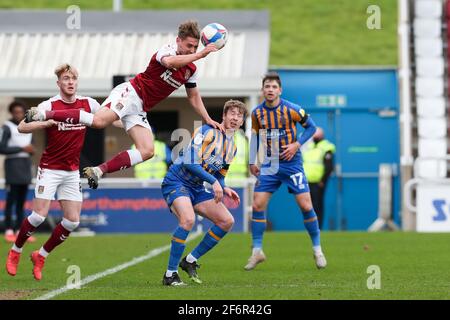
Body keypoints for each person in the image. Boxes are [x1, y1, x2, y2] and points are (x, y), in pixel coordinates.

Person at [25, 20, 223, 190]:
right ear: (178, 40)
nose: (192, 50)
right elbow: (171, 62)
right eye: (189, 46)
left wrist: (207, 119)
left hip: (140, 108)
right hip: (131, 93)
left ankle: (97, 170)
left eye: (195, 47)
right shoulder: (167, 50)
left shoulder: (192, 69)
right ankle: (45, 114)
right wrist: (200, 55)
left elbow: (193, 96)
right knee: (99, 122)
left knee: (147, 150)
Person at [5, 63, 102, 281]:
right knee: (39, 216)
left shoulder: (88, 103)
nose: (70, 82)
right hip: (50, 168)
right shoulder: (49, 104)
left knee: (72, 221)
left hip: (71, 171)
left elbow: (107, 117)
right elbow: (21, 127)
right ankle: (16, 251)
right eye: (66, 79)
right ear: (58, 83)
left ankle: (40, 255)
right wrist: (47, 121)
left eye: (73, 79)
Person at [245, 72, 326, 271]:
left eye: (274, 87)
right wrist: (251, 161)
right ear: (262, 90)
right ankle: (257, 251)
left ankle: (317, 249)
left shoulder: (293, 109)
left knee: (306, 206)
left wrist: (296, 145)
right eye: (267, 86)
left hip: (292, 163)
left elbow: (311, 128)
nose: (270, 90)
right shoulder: (257, 113)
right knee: (257, 204)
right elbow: (255, 136)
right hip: (270, 164)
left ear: (280, 90)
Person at [161, 100, 246, 286]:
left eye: (240, 116)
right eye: (232, 113)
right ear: (223, 116)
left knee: (227, 221)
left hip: (197, 187)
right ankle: (170, 275)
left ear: (242, 121)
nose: (235, 118)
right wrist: (214, 182)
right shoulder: (207, 131)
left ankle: (189, 260)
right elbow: (189, 162)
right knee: (188, 220)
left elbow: (220, 174)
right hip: (176, 181)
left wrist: (224, 187)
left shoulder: (232, 147)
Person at [0, 101, 35, 243]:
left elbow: (29, 148)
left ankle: (20, 230)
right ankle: (9, 230)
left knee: (21, 201)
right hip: (13, 165)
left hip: (25, 165)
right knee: (11, 200)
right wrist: (22, 149)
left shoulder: (29, 126)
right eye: (15, 112)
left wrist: (31, 151)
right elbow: (2, 148)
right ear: (11, 112)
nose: (18, 114)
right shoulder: (7, 127)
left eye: (20, 112)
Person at [303, 127, 335, 229]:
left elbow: (329, 167)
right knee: (307, 206)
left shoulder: (326, 146)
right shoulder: (308, 146)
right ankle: (310, 227)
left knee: (317, 205)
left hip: (318, 183)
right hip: (306, 182)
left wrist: (323, 181)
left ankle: (317, 228)